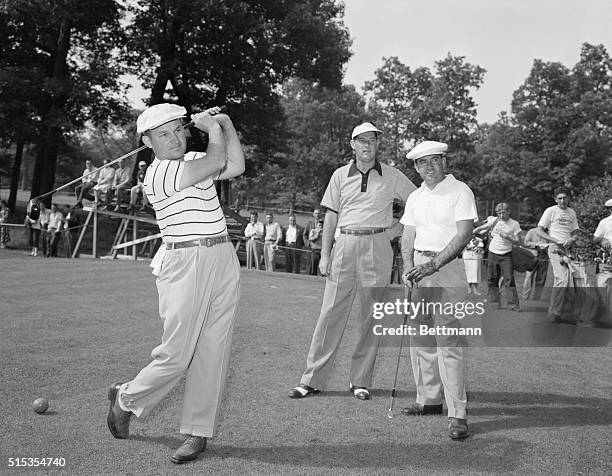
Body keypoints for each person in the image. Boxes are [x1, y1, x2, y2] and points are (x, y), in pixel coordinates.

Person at [106, 103, 245, 464]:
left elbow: (235, 165)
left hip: (222, 256)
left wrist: (225, 125)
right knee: (177, 353)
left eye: (176, 130)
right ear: (148, 141)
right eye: (162, 134)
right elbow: (217, 162)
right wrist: (212, 130)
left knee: (214, 350)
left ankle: (197, 432)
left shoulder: (196, 158)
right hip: (185, 261)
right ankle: (127, 398)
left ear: (185, 130)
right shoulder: (159, 173)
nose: (173, 139)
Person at [288, 121, 415, 401]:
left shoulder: (393, 175)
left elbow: (418, 202)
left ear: (377, 144)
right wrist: (324, 254)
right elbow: (331, 216)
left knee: (371, 316)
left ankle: (360, 381)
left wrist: (396, 230)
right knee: (330, 313)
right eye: (362, 140)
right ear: (353, 144)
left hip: (378, 246)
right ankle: (311, 379)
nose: (367, 145)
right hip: (344, 243)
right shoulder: (339, 175)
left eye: (372, 140)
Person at [400, 140, 477, 441]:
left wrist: (434, 265)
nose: (428, 167)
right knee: (420, 337)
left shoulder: (460, 191)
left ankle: (457, 413)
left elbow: (464, 233)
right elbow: (408, 236)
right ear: (416, 168)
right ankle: (429, 400)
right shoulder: (416, 196)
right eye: (422, 163)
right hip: (418, 269)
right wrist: (408, 266)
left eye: (434, 160)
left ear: (445, 161)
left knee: (448, 342)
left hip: (446, 268)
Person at [536, 188, 580, 322]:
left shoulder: (571, 212)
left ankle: (563, 312)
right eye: (559, 198)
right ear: (555, 199)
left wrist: (572, 240)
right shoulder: (551, 211)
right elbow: (539, 231)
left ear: (568, 199)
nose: (562, 200)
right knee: (562, 279)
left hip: (568, 249)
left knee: (569, 281)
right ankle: (554, 312)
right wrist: (555, 240)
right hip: (555, 248)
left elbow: (576, 232)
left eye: (565, 198)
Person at [474, 203, 521, 311]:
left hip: (506, 254)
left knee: (509, 279)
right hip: (493, 253)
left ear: (509, 211)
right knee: (492, 279)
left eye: (503, 212)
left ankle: (513, 305)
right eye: (499, 213)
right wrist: (470, 234)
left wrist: (508, 237)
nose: (501, 215)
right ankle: (495, 303)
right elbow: (482, 227)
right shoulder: (494, 221)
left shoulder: (514, 224)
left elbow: (518, 241)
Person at [521, 226, 549, 301]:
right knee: (528, 277)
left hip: (544, 257)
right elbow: (526, 242)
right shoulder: (532, 231)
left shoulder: (549, 233)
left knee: (541, 279)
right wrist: (536, 244)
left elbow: (552, 245)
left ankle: (536, 298)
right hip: (532, 256)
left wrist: (546, 247)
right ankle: (525, 297)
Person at [303, 208, 324, 275]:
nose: (317, 215)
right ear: (313, 214)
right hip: (311, 247)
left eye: (318, 213)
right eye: (316, 213)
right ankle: (309, 277)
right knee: (310, 263)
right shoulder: (309, 223)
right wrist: (307, 244)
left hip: (321, 248)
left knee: (320, 264)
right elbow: (305, 234)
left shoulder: (323, 222)